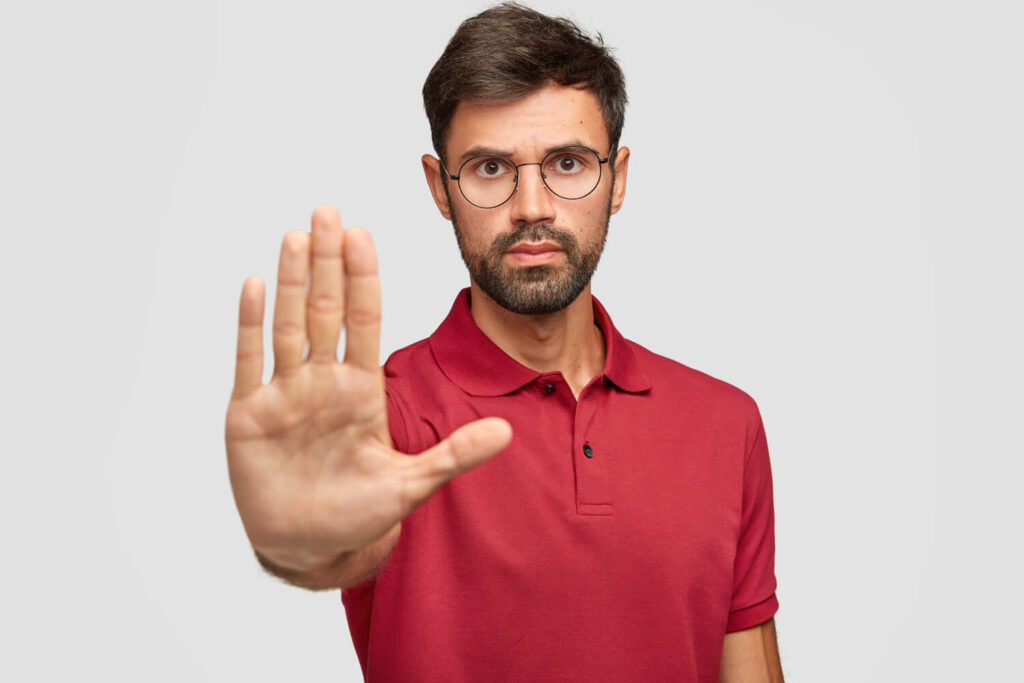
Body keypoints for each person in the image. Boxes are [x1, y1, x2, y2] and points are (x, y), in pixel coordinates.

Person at [225, 3, 783, 681]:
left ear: (619, 178)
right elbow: (333, 545)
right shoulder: (381, 418)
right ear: (440, 187)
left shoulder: (724, 424)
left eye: (568, 163)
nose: (532, 207)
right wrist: (295, 542)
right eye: (491, 169)